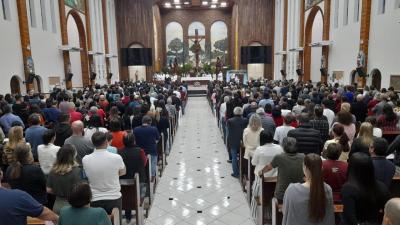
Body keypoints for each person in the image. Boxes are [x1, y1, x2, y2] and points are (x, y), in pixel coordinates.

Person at [282, 154, 335, 225]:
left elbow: (285, 212)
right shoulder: (327, 189)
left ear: (305, 168)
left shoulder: (291, 190)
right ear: (321, 168)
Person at [341, 152, 391, 225]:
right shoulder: (382, 186)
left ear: (351, 167)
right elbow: (387, 210)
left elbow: (350, 217)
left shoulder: (348, 189)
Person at [82, 132, 126, 214]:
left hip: (94, 198)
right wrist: (112, 174)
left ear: (93, 143)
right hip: (114, 197)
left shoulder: (85, 159)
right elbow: (123, 172)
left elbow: (86, 175)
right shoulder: (116, 157)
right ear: (106, 142)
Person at [250, 130, 283, 218]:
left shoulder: (259, 149)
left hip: (261, 178)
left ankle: (255, 216)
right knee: (271, 196)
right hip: (276, 178)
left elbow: (253, 163)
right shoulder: (279, 148)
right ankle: (270, 216)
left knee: (256, 194)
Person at [119, 132, 148, 222]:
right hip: (139, 178)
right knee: (140, 194)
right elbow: (144, 162)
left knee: (127, 197)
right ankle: (140, 210)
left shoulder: (119, 152)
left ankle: (128, 217)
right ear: (134, 141)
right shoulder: (140, 151)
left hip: (124, 179)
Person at [47, 144, 82, 214]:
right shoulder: (77, 171)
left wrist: (58, 191)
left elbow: (48, 189)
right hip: (73, 206)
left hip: (57, 205)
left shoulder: (53, 171)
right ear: (73, 156)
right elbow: (80, 191)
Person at [227, 107, 248, 178]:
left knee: (234, 157)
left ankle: (236, 173)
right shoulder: (245, 120)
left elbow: (229, 132)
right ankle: (244, 171)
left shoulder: (230, 120)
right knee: (243, 156)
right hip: (243, 141)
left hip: (233, 141)